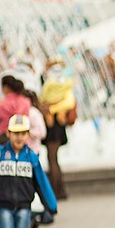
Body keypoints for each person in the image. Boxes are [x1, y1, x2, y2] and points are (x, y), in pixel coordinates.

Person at [39, 59, 76, 200]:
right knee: (54, 159)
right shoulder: (65, 83)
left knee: (52, 159)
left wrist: (50, 108)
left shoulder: (51, 83)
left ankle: (56, 192)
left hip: (53, 126)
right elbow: (68, 101)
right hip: (58, 124)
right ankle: (59, 190)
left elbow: (44, 99)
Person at [0, 75, 31, 143]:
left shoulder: (1, 105)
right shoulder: (26, 102)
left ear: (5, 88)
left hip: (3, 140)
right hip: (22, 140)